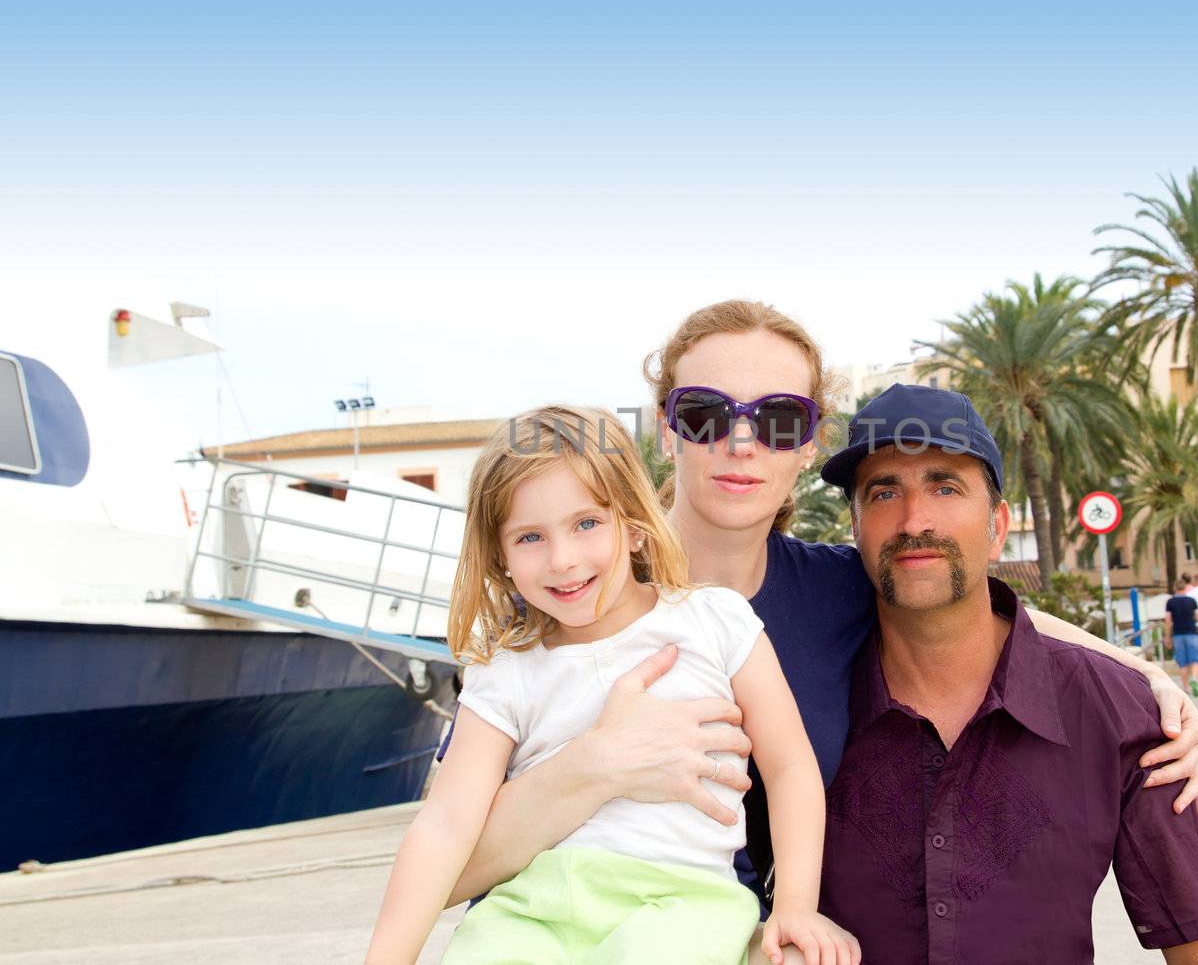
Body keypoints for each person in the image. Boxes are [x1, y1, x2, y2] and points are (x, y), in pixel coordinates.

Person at [436, 301, 1198, 961]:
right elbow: (448, 867)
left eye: (777, 419)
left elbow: (992, 604)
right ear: (668, 431)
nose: (741, 442)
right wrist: (596, 765)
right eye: (706, 413)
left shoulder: (838, 588)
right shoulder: (562, 602)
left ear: (807, 448)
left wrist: (1151, 679)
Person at [366, 405, 859, 965]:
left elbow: (791, 766)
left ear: (632, 525)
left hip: (680, 901)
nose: (563, 559)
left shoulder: (713, 620)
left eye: (586, 523)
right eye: (529, 536)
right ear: (500, 559)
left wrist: (796, 905)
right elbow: (446, 823)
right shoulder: (505, 669)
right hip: (532, 906)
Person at [816, 385, 1198, 962]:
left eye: (945, 486)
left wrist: (1145, 678)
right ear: (855, 527)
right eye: (884, 491)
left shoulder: (1117, 713)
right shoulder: (800, 697)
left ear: (997, 527)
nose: (914, 519)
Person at [1166, 579, 1198, 699]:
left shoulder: (1170, 602)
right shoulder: (1192, 601)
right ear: (1185, 588)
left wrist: (1167, 636)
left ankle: (1186, 687)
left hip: (1178, 634)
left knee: (1182, 662)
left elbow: (1168, 620)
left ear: (1175, 588)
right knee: (1195, 660)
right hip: (1191, 632)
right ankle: (1194, 678)